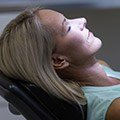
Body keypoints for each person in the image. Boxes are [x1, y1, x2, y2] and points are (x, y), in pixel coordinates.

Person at [0, 7, 120, 120]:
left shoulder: (103, 67)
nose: (82, 20)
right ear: (58, 61)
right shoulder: (114, 108)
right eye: (67, 28)